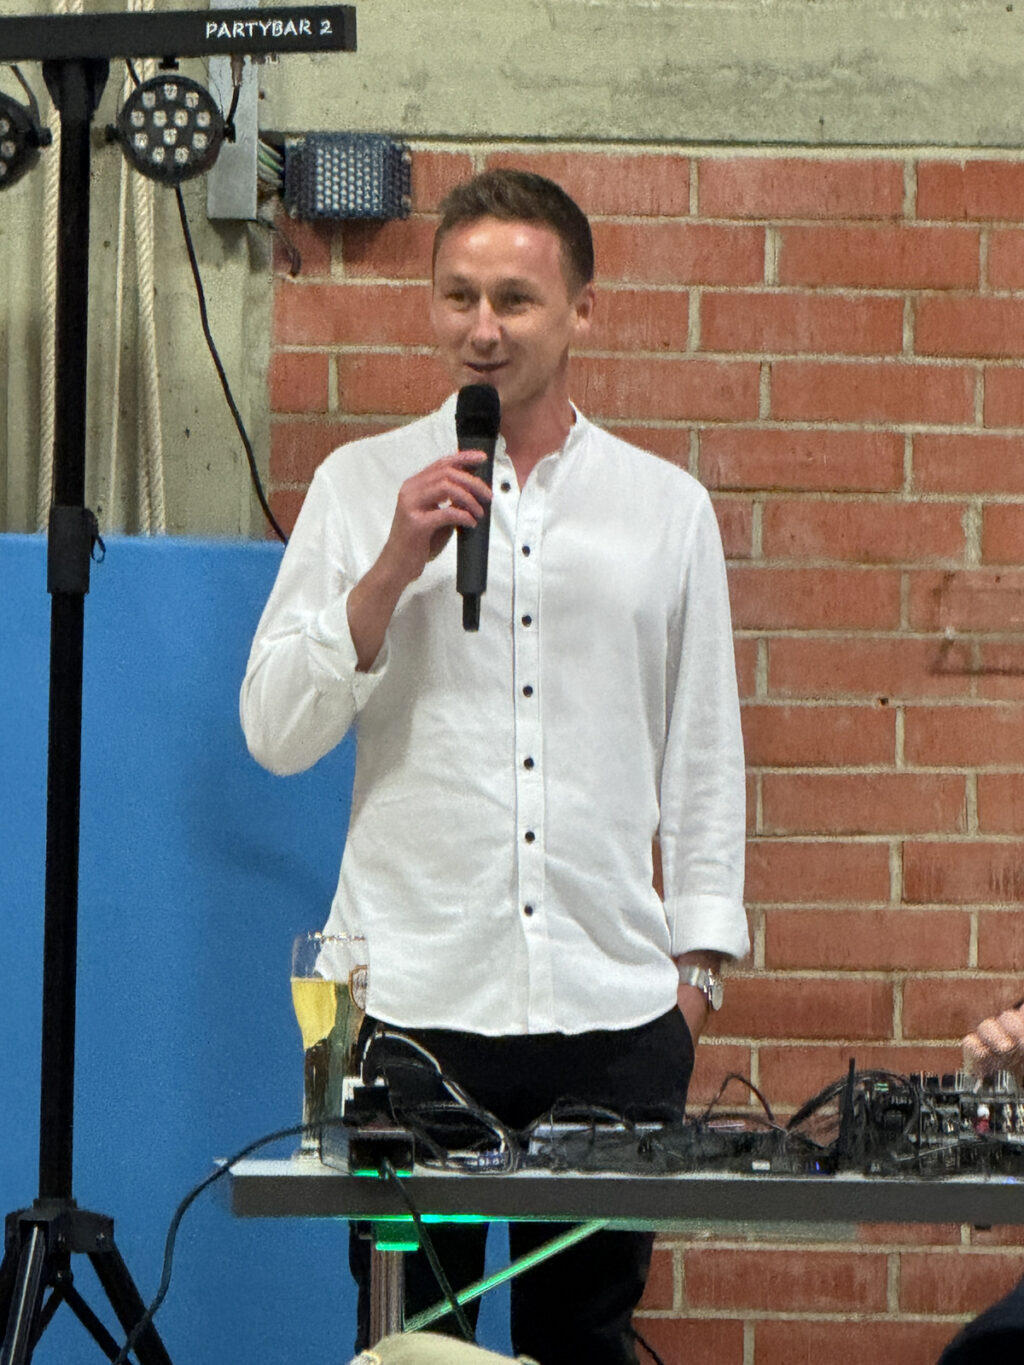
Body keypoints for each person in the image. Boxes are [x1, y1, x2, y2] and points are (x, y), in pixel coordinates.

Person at [240, 168, 748, 1364]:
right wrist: (389, 567)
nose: (482, 327)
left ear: (581, 311)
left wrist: (694, 979)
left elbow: (704, 748)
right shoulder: (358, 485)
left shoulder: (664, 508)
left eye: (514, 299)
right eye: (458, 296)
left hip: (610, 1008)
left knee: (588, 1338)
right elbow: (274, 731)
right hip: (412, 1006)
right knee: (413, 1342)